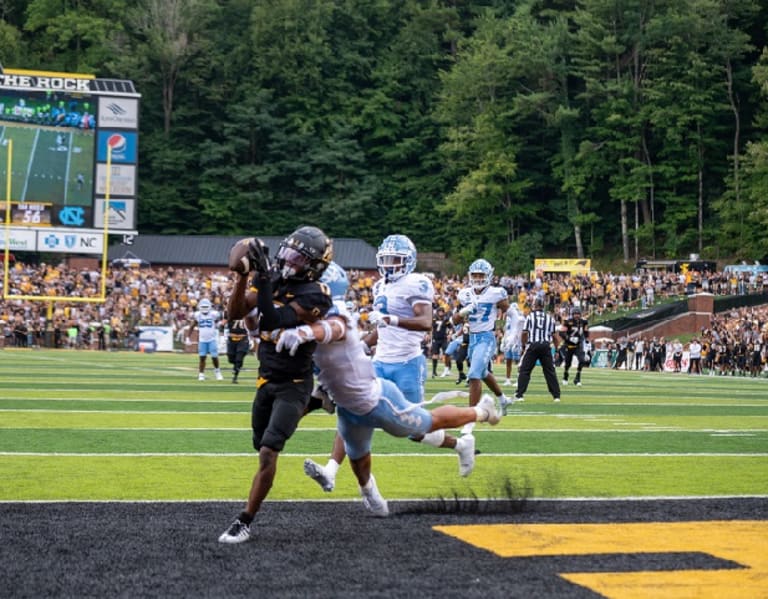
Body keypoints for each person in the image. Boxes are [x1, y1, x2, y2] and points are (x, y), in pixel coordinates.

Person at [276, 263, 501, 515]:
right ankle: (335, 471)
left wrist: (388, 319)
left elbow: (424, 321)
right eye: (387, 259)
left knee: (417, 429)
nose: (390, 265)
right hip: (380, 360)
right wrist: (362, 344)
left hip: (406, 362)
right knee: (351, 413)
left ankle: (468, 431)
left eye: (396, 259)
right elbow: (379, 329)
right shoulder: (380, 286)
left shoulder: (416, 283)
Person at [218, 225, 333, 544]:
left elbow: (274, 320)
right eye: (288, 252)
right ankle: (316, 402)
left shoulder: (316, 294)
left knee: (268, 452)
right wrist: (242, 278)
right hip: (266, 380)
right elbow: (234, 313)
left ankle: (244, 521)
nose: (288, 260)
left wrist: (265, 282)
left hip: (294, 382)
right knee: (260, 444)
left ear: (313, 265)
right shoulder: (274, 279)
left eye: (298, 257)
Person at [452, 258, 512, 424]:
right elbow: (454, 320)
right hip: (472, 337)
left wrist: (511, 333)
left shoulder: (496, 293)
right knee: (483, 373)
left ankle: (471, 416)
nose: (478, 278)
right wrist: (464, 311)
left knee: (473, 374)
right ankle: (502, 399)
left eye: (481, 275)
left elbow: (511, 313)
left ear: (489, 276)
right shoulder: (464, 294)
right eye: (475, 275)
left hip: (486, 336)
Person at [514, 296, 561, 403]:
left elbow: (525, 332)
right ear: (543, 306)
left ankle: (520, 394)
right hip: (545, 345)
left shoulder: (530, 317)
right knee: (549, 371)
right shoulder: (550, 318)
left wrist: (524, 345)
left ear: (534, 306)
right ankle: (556, 395)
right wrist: (557, 349)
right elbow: (554, 336)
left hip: (533, 345)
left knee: (525, 370)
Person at [188, 298, 224, 381]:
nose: (204, 308)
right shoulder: (197, 315)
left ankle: (217, 372)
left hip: (212, 339)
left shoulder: (213, 314)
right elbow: (192, 326)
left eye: (206, 306)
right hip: (202, 340)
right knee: (202, 357)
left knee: (214, 357)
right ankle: (201, 374)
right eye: (203, 307)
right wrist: (188, 337)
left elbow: (223, 317)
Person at [559, 306, 589, 386]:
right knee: (568, 363)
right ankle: (565, 376)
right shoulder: (568, 322)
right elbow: (561, 333)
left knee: (582, 360)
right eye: (575, 314)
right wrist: (569, 338)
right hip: (569, 345)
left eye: (578, 314)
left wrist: (586, 340)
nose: (577, 315)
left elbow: (586, 332)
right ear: (572, 314)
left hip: (578, 345)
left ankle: (577, 378)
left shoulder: (583, 322)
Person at [500, 301, 524, 388]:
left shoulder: (519, 318)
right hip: (508, 341)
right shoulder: (507, 318)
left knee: (518, 362)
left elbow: (520, 331)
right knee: (508, 360)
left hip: (516, 341)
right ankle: (508, 380)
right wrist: (503, 339)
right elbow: (502, 328)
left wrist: (519, 341)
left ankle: (519, 380)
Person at [225, 316, 250, 383]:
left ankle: (235, 376)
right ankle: (237, 366)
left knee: (239, 358)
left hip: (243, 338)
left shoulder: (247, 312)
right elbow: (224, 321)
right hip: (232, 338)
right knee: (231, 358)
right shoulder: (230, 312)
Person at [430, 306, 452, 378]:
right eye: (439, 311)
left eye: (442, 312)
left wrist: (449, 334)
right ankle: (434, 371)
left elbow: (451, 327)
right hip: (435, 339)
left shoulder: (446, 319)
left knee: (446, 354)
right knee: (435, 355)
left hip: (443, 339)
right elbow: (431, 328)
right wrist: (429, 335)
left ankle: (448, 369)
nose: (440, 313)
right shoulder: (434, 319)